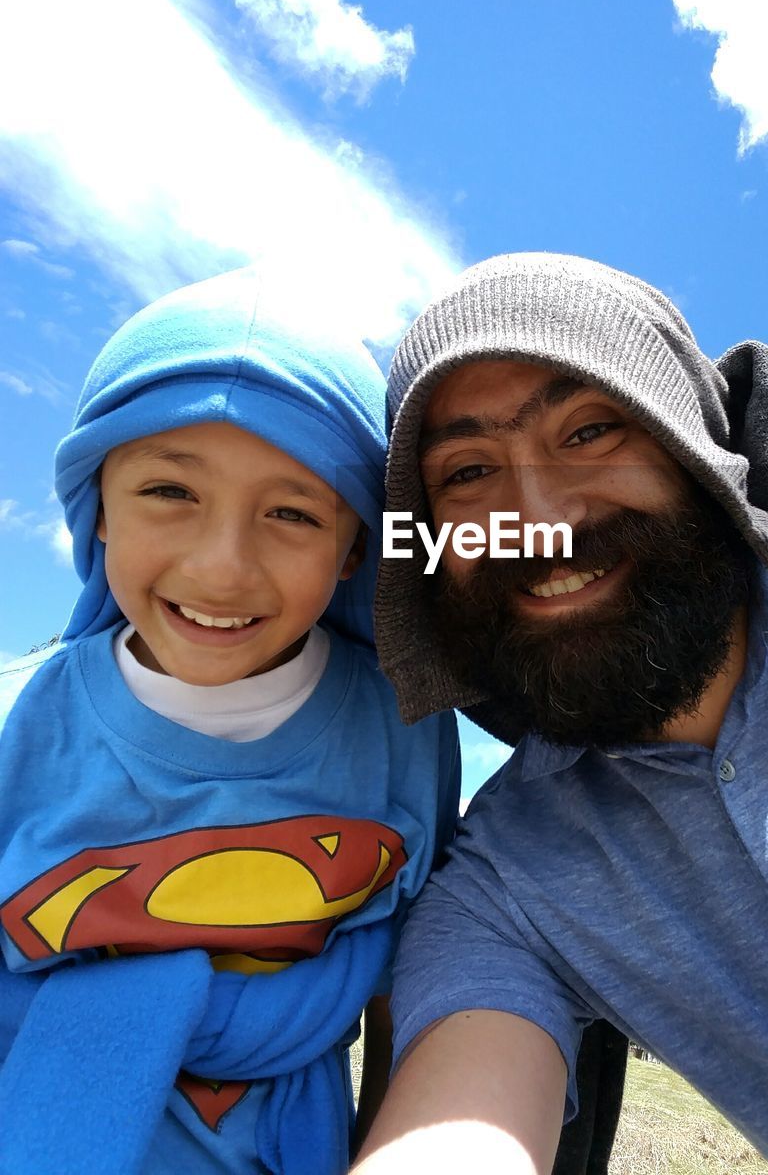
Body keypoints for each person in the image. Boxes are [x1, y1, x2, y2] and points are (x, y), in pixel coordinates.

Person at [355, 252, 768, 1175]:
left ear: (698, 449)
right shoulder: (511, 877)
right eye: (469, 470)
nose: (539, 514)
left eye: (593, 429)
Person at [0, 266, 460, 1175]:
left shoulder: (404, 732)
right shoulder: (17, 723)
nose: (222, 569)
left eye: (292, 512)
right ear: (96, 511)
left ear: (353, 548)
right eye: (170, 492)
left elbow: (412, 975)